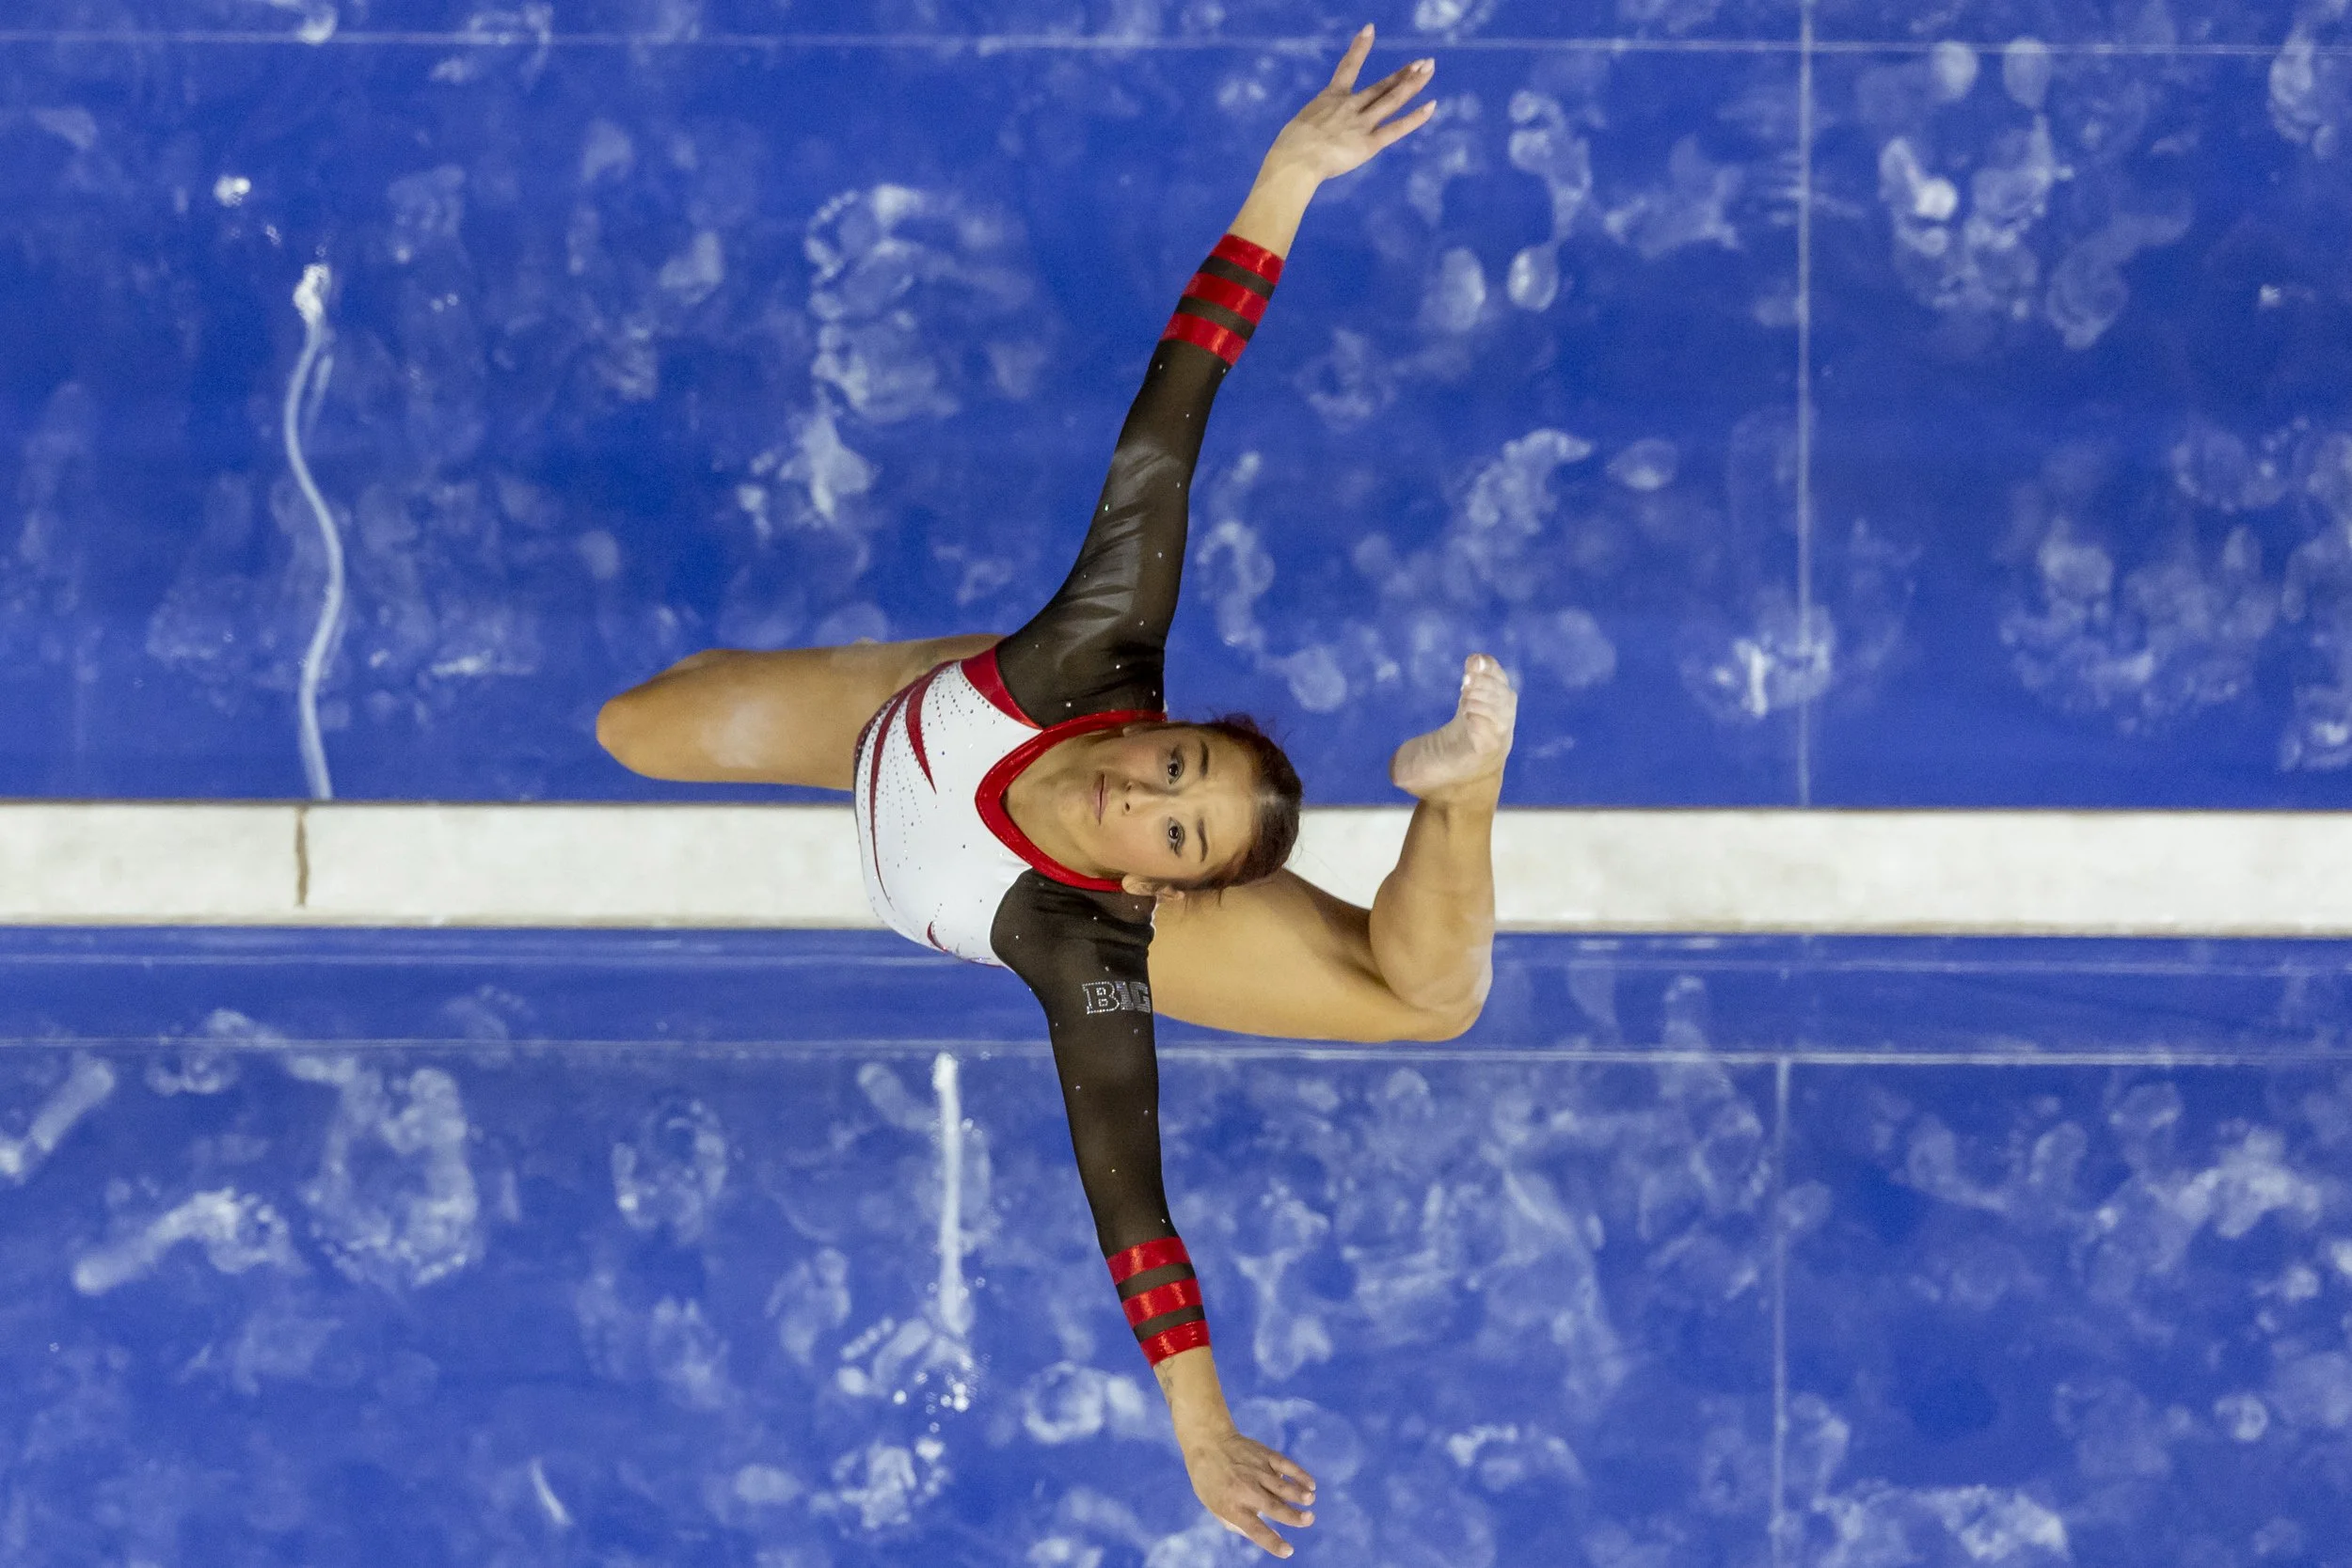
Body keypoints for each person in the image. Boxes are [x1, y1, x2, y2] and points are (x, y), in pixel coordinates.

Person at [597, 27, 1509, 1560]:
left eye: (1176, 831)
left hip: (944, 841)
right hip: (910, 720)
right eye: (1177, 764)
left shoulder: (1093, 944)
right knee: (634, 727)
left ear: (1161, 880)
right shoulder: (1090, 651)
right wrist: (1285, 176)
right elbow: (1177, 414)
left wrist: (1201, 1423)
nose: (1142, 795)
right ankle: (912, 680)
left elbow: (1130, 1194)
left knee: (1428, 999)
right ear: (1163, 724)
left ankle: (1463, 795)